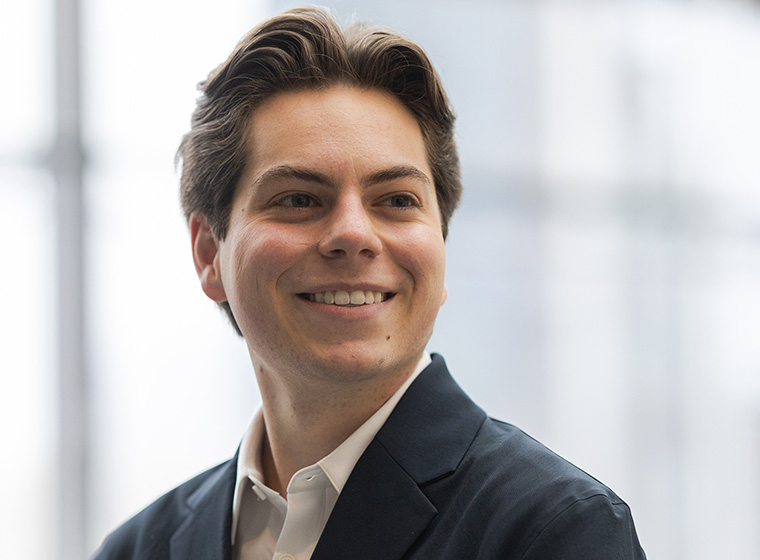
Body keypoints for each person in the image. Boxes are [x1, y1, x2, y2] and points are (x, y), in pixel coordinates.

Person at [93, 7, 646, 560]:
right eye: (298, 199)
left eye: (397, 201)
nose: (354, 234)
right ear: (209, 253)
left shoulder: (555, 532)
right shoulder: (137, 550)